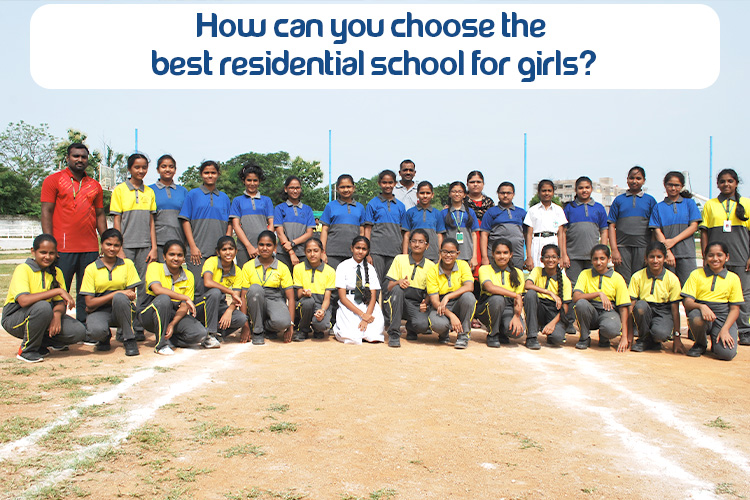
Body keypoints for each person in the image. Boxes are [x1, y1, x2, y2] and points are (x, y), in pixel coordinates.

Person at [40, 143, 107, 323]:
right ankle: (56, 331)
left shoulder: (95, 185)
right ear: (68, 158)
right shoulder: (53, 180)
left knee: (86, 291)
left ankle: (86, 328)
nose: (80, 160)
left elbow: (100, 215)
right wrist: (49, 244)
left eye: (83, 157)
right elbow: (46, 211)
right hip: (62, 247)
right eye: (76, 156)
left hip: (90, 247)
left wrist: (106, 241)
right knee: (60, 289)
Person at [2, 234, 85, 363]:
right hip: (15, 318)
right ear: (33, 251)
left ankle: (40, 343)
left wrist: (57, 316)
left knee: (78, 331)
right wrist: (57, 291)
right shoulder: (23, 269)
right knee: (43, 307)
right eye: (43, 252)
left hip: (44, 315)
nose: (47, 256)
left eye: (51, 253)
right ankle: (27, 350)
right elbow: (24, 301)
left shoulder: (57, 272)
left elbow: (59, 303)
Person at [699, 169, 750, 346]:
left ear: (736, 183)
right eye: (722, 181)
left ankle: (744, 331)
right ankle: (705, 329)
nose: (726, 184)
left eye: (730, 181)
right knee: (713, 293)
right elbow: (704, 232)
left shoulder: (746, 203)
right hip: (716, 260)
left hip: (741, 257)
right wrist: (706, 255)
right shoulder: (710, 205)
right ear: (717, 184)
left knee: (742, 295)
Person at [110, 153, 157, 340]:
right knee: (126, 289)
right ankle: (123, 328)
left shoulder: (150, 192)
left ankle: (139, 327)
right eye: (137, 167)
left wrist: (153, 247)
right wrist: (118, 247)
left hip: (145, 246)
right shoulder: (120, 191)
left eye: (144, 167)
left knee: (144, 288)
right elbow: (117, 220)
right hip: (126, 246)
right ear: (129, 169)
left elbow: (152, 222)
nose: (141, 171)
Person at [80, 229, 142, 356]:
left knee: (120, 298)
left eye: (116, 245)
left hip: (122, 310)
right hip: (100, 311)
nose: (112, 249)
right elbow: (89, 303)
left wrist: (116, 295)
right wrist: (116, 293)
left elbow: (129, 294)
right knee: (95, 331)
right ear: (101, 245)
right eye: (108, 244)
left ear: (120, 247)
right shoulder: (91, 268)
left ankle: (129, 339)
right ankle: (104, 337)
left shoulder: (127, 264)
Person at [139, 240, 208, 355]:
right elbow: (157, 289)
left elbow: (184, 306)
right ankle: (160, 345)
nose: (176, 258)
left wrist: (172, 324)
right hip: (150, 315)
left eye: (179, 255)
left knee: (200, 334)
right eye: (172, 254)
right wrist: (184, 297)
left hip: (172, 315)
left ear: (184, 258)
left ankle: (169, 339)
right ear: (164, 256)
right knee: (164, 299)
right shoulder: (154, 267)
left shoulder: (188, 275)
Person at [682, 241, 743, 360]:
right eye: (710, 255)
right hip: (703, 315)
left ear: (727, 257)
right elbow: (687, 302)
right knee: (695, 316)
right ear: (705, 257)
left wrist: (725, 329)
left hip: (723, 317)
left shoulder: (733, 278)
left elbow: (735, 309)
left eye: (719, 255)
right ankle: (700, 344)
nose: (715, 259)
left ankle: (717, 343)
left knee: (726, 354)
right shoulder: (696, 274)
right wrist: (701, 307)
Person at [179, 161, 232, 287]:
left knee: (218, 288)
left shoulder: (224, 197)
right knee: (198, 287)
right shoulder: (193, 194)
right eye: (206, 173)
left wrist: (227, 246)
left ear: (218, 174)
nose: (210, 176)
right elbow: (185, 220)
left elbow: (229, 223)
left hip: (219, 252)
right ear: (201, 174)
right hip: (198, 252)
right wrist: (192, 246)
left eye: (213, 173)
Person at [237, 231, 295, 345]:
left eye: (268, 245)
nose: (264, 248)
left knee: (283, 322)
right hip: (254, 299)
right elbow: (243, 296)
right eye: (261, 245)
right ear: (257, 246)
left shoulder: (282, 267)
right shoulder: (248, 266)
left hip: (274, 297)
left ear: (275, 247)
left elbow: (291, 298)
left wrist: (290, 325)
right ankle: (257, 331)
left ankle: (267, 327)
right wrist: (245, 326)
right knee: (255, 289)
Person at [625, 241, 683, 353]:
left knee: (660, 334)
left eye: (659, 257)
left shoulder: (672, 279)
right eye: (651, 257)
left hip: (663, 311)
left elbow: (675, 310)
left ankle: (653, 340)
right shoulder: (637, 276)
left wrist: (677, 337)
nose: (655, 260)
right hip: (645, 308)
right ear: (645, 259)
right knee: (640, 306)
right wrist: (629, 335)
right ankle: (643, 339)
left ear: (665, 258)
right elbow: (631, 306)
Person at [382, 228, 435, 347]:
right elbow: (389, 286)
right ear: (409, 243)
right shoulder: (400, 259)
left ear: (427, 245)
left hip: (415, 304)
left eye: (421, 242)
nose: (417, 244)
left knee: (422, 325)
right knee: (397, 290)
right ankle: (394, 333)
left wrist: (425, 302)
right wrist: (398, 282)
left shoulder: (431, 266)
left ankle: (411, 328)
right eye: (414, 241)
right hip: (398, 301)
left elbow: (431, 291)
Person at [572, 244, 630, 350]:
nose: (599, 262)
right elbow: (576, 297)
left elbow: (623, 308)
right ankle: (584, 338)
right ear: (591, 260)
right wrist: (598, 293)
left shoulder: (617, 278)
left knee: (611, 329)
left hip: (609, 311)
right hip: (591, 311)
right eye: (595, 259)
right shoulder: (585, 274)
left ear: (609, 259)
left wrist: (624, 337)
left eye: (602, 258)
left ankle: (604, 337)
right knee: (581, 304)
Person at [649, 171, 701, 286]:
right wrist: (667, 252)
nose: (673, 188)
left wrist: (674, 240)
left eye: (677, 185)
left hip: (687, 254)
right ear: (665, 185)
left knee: (689, 289)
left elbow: (693, 226)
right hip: (667, 257)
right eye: (670, 185)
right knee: (668, 290)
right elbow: (657, 230)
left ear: (682, 186)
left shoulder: (690, 204)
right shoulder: (658, 207)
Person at [608, 166, 657, 283]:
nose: (634, 181)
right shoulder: (619, 200)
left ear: (644, 180)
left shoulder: (650, 200)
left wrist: (651, 251)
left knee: (641, 280)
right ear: (627, 180)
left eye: (638, 178)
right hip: (622, 248)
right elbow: (611, 226)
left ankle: (640, 302)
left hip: (643, 248)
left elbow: (655, 228)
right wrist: (614, 250)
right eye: (631, 178)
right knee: (623, 281)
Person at [195, 236, 247, 346]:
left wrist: (229, 311)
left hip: (219, 306)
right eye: (224, 249)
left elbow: (237, 297)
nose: (228, 252)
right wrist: (230, 292)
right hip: (201, 305)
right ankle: (210, 335)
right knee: (215, 292)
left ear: (236, 251)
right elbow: (207, 282)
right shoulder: (212, 261)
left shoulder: (237, 271)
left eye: (231, 249)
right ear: (218, 252)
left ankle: (218, 333)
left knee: (241, 319)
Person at [425, 238, 476, 348]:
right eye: (445, 252)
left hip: (458, 301)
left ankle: (463, 335)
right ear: (440, 253)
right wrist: (451, 315)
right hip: (441, 306)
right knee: (437, 324)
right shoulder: (433, 271)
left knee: (469, 297)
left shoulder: (463, 265)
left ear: (458, 253)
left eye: (452, 252)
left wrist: (448, 296)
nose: (448, 255)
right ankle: (443, 333)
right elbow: (435, 301)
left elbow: (469, 286)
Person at [333, 236, 385, 344]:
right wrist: (362, 315)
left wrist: (367, 316)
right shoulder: (342, 266)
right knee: (350, 335)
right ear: (352, 248)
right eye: (357, 248)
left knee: (373, 334)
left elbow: (373, 296)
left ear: (368, 251)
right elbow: (342, 297)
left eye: (364, 249)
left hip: (367, 303)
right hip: (349, 303)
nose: (360, 251)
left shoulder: (370, 268)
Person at [475, 239, 527, 348]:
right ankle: (493, 334)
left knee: (517, 332)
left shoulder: (518, 273)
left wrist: (517, 316)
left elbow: (518, 300)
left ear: (511, 255)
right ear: (493, 254)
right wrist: (514, 295)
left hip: (508, 307)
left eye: (505, 253)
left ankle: (502, 331)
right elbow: (490, 287)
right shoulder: (485, 269)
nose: (502, 256)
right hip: (488, 307)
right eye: (498, 253)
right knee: (498, 299)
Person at [561, 176, 609, 286]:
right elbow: (562, 232)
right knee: (573, 285)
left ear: (591, 189)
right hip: (573, 256)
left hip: (593, 256)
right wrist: (564, 254)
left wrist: (603, 252)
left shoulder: (599, 208)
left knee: (593, 284)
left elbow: (604, 231)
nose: (584, 190)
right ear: (576, 190)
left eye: (587, 187)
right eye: (581, 188)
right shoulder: (569, 208)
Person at [524, 244, 572, 348]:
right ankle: (531, 337)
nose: (550, 260)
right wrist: (549, 292)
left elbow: (565, 307)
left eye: (554, 257)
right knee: (530, 294)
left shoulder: (565, 281)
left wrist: (553, 323)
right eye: (547, 257)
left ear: (559, 259)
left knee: (556, 339)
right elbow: (527, 285)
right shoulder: (537, 271)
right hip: (539, 308)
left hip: (554, 313)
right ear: (541, 259)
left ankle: (550, 330)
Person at [364, 169, 407, 285]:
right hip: (377, 250)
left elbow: (404, 232)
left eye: (390, 182)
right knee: (375, 281)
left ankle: (388, 304)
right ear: (379, 183)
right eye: (384, 182)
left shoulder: (401, 206)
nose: (387, 185)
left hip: (394, 250)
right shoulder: (372, 204)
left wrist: (404, 253)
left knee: (390, 283)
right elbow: (367, 229)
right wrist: (367, 252)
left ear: (395, 184)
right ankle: (376, 303)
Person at [230, 163, 274, 268]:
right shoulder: (237, 201)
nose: (252, 183)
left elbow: (271, 224)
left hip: (264, 248)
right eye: (249, 180)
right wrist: (248, 246)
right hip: (244, 248)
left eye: (255, 180)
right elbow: (236, 225)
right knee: (245, 279)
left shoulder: (266, 200)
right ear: (244, 181)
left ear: (259, 181)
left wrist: (263, 245)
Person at [293, 238, 336, 341]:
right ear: (305, 252)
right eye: (309, 251)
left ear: (322, 252)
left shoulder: (330, 271)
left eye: (316, 250)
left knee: (322, 325)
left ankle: (318, 329)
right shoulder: (298, 268)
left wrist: (322, 310)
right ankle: (303, 330)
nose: (312, 254)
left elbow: (327, 298)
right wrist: (303, 293)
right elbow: (298, 294)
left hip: (321, 304)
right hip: (305, 303)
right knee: (308, 302)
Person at [320, 174, 365, 270]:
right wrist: (322, 252)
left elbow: (362, 232)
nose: (345, 190)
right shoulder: (330, 206)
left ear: (353, 188)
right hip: (333, 253)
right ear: (337, 189)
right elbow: (324, 230)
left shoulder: (360, 207)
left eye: (348, 186)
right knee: (333, 282)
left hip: (353, 254)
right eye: (342, 187)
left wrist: (361, 250)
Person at [480, 182, 528, 270]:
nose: (505, 195)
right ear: (498, 194)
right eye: (502, 193)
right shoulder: (491, 212)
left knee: (516, 280)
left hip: (517, 255)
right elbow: (484, 235)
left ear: (513, 194)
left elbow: (527, 235)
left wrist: (528, 256)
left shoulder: (521, 212)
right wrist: (484, 257)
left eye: (508, 193)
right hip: (496, 256)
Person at [150, 154, 188, 261]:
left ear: (175, 170)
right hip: (158, 243)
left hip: (178, 241)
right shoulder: (149, 190)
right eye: (164, 166)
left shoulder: (183, 191)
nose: (167, 169)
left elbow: (186, 219)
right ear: (158, 169)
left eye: (171, 167)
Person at [274, 175, 315, 272]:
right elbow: (280, 233)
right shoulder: (279, 208)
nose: (295, 191)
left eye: (297, 188)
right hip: (283, 254)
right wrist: (291, 252)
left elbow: (309, 233)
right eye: (291, 188)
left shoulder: (307, 209)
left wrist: (292, 243)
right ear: (285, 189)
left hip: (303, 253)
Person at [524, 179, 567, 269]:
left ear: (553, 192)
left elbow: (561, 233)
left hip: (553, 241)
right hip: (537, 242)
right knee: (538, 272)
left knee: (555, 272)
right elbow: (528, 234)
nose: (546, 193)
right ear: (538, 192)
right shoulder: (533, 210)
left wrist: (563, 255)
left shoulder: (558, 210)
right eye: (544, 191)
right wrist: (528, 256)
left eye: (549, 191)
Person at [439, 181, 480, 271]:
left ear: (465, 195)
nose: (457, 194)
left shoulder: (470, 212)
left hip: (467, 254)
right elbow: (441, 235)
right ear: (449, 194)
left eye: (460, 191)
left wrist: (474, 256)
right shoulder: (444, 213)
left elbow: (474, 235)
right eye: (454, 191)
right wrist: (440, 255)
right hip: (449, 255)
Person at [402, 181, 442, 263]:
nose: (425, 196)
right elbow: (406, 235)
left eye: (428, 193)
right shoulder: (410, 212)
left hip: (432, 255)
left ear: (432, 195)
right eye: (422, 193)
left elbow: (440, 235)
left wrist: (440, 255)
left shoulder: (437, 213)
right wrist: (405, 255)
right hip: (413, 255)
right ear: (417, 195)